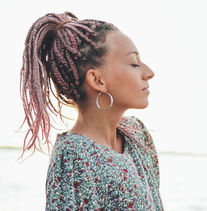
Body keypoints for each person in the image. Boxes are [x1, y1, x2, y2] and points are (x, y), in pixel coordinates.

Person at [19, 11, 164, 210]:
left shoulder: (138, 135)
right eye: (134, 63)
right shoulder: (74, 156)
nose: (149, 73)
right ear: (97, 80)